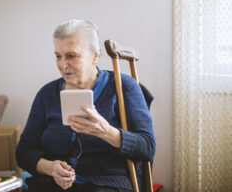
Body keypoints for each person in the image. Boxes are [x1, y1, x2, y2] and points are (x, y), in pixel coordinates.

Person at [16, 19, 156, 192]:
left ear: (95, 56)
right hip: (52, 184)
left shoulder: (123, 87)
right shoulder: (46, 94)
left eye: (71, 56)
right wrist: (50, 168)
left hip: (107, 184)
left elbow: (147, 147)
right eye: (58, 56)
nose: (62, 64)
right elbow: (23, 152)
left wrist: (106, 132)